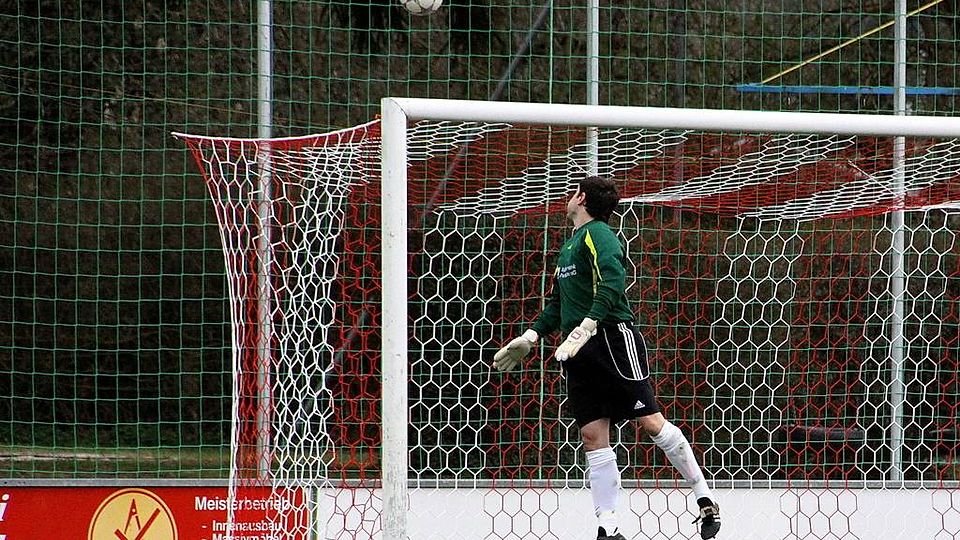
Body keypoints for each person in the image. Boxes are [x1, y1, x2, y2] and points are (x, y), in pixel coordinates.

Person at [492, 175, 721, 540]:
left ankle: (703, 496)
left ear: (581, 198)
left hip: (611, 339)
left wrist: (589, 324)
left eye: (572, 192)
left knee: (651, 423)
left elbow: (613, 283)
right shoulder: (570, 246)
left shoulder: (599, 235)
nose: (567, 198)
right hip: (576, 347)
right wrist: (531, 335)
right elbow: (557, 304)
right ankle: (608, 527)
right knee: (592, 434)